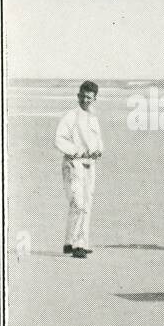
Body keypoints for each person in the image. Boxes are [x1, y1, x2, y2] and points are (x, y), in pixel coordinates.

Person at [55, 81, 103, 259]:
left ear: (94, 99)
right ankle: (78, 245)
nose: (85, 100)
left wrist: (99, 150)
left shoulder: (93, 117)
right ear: (78, 96)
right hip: (73, 163)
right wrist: (76, 150)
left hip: (89, 165)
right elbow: (59, 139)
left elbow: (97, 139)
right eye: (82, 96)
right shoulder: (71, 116)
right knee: (78, 203)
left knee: (86, 203)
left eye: (89, 97)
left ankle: (70, 242)